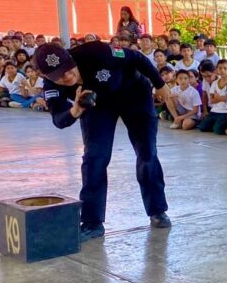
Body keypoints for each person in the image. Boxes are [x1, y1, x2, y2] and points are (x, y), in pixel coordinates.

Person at [33, 42, 171, 240]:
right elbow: (59, 119)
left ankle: (157, 210)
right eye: (59, 76)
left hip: (134, 95)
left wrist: (160, 83)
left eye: (68, 69)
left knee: (147, 152)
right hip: (97, 107)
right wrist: (75, 110)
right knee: (95, 159)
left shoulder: (96, 51)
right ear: (46, 77)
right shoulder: (51, 86)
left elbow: (136, 57)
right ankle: (92, 222)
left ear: (71, 58)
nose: (68, 76)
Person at [198, 59, 227, 134]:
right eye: (220, 68)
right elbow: (211, 100)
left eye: (225, 68)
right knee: (202, 127)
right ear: (217, 70)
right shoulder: (214, 83)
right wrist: (223, 98)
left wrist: (218, 97)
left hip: (225, 111)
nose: (222, 70)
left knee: (218, 130)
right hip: (214, 110)